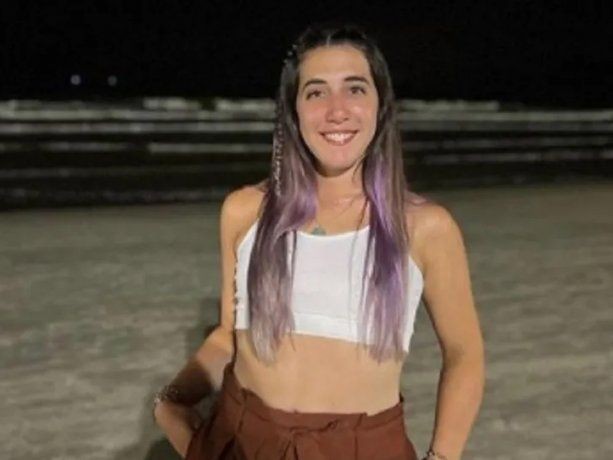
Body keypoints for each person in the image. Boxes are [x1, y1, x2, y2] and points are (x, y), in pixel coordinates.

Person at [153, 23, 484, 460]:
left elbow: (464, 354)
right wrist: (171, 403)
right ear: (293, 110)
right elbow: (229, 334)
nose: (336, 110)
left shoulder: (423, 227)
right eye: (316, 92)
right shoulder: (246, 211)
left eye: (355, 89)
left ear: (381, 105)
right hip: (244, 439)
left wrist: (442, 457)